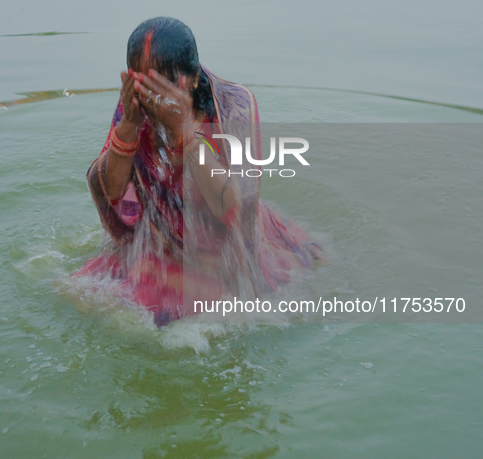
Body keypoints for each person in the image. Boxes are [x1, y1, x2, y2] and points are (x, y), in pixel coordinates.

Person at [74, 17, 322, 326]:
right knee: (78, 294)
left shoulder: (234, 106)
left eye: (159, 87)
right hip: (159, 238)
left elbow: (233, 205)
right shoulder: (137, 103)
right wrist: (128, 127)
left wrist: (186, 132)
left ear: (190, 80)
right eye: (141, 86)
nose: (149, 99)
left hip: (218, 250)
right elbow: (108, 189)